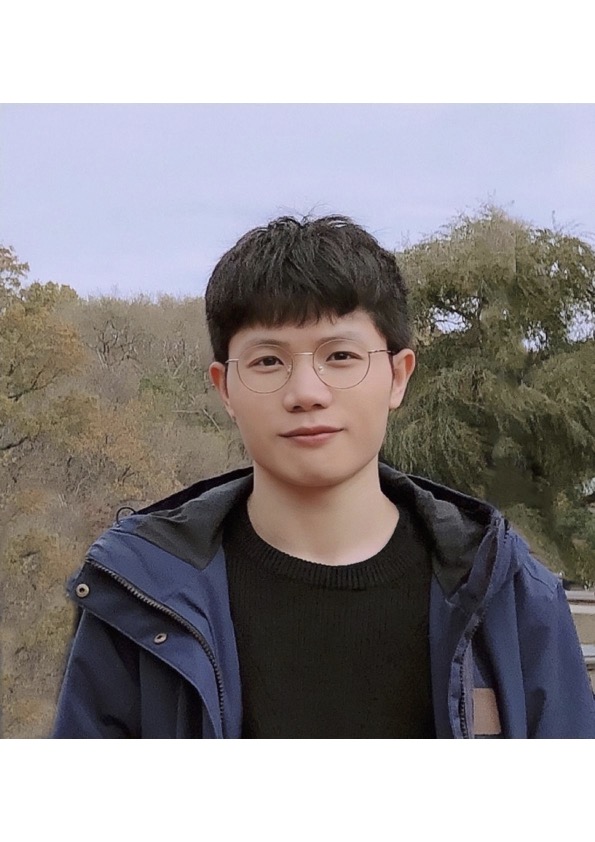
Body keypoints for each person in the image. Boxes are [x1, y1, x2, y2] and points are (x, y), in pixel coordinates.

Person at [53, 214, 595, 738]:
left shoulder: (511, 598)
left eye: (340, 356)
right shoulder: (139, 598)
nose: (306, 393)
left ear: (398, 376)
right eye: (268, 362)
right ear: (225, 389)